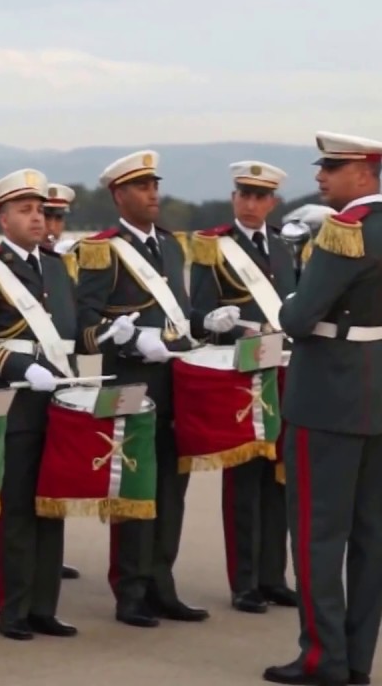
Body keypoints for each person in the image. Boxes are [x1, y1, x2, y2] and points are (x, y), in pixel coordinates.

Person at [0, 168, 117, 642]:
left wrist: (109, 334)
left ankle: (44, 607)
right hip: (17, 402)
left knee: (54, 505)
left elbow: (71, 336)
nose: (37, 218)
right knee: (20, 512)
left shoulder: (57, 266)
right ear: (3, 219)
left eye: (41, 211)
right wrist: (19, 368)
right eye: (25, 211)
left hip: (60, 401)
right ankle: (14, 610)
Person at [75, 149, 224, 628]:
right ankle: (131, 590)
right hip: (134, 382)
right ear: (119, 195)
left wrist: (206, 320)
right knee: (136, 489)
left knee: (171, 490)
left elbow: (176, 315)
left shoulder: (170, 244)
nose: (153, 193)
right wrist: (131, 338)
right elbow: (83, 321)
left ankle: (163, 584)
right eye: (142, 187)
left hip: (177, 382)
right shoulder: (102, 249)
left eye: (155, 184)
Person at [263, 131, 382, 686]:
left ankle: (322, 659)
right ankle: (357, 661)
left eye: (332, 167)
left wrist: (292, 296)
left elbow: (297, 318)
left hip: (327, 398)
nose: (320, 176)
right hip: (376, 396)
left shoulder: (347, 230)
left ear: (365, 173)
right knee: (371, 539)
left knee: (316, 535)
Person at [188, 161, 297, 616]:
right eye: (243, 195)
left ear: (272, 202)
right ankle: (245, 581)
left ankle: (274, 576)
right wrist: (229, 330)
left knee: (280, 480)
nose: (251, 204)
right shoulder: (214, 246)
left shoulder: (285, 246)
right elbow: (199, 316)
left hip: (285, 372)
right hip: (242, 375)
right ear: (234, 198)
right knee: (245, 482)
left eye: (260, 196)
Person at [41, 182, 82, 581]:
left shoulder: (61, 266)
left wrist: (121, 333)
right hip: (25, 389)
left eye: (56, 217)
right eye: (44, 215)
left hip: (62, 385)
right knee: (21, 497)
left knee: (57, 482)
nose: (50, 225)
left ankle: (49, 569)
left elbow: (78, 330)